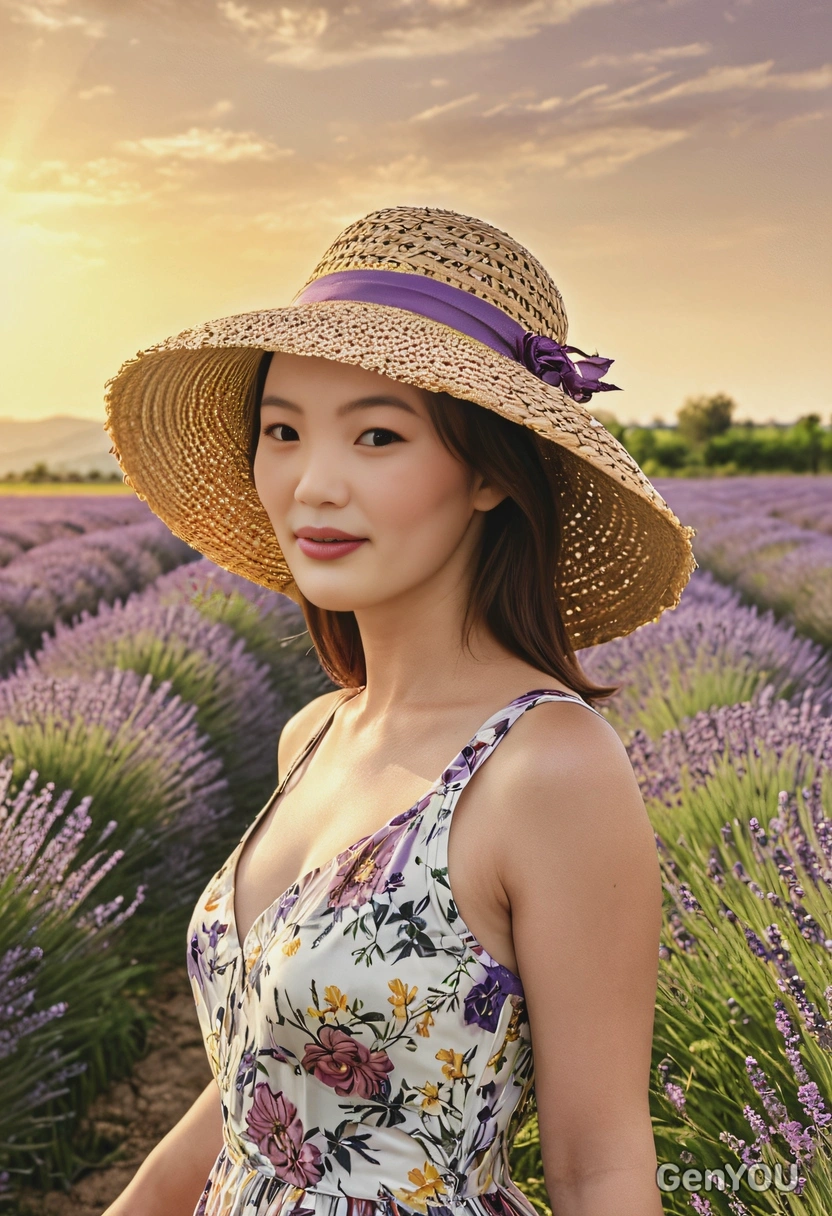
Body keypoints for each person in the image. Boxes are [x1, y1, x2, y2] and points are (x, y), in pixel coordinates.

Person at [102, 206, 695, 1216]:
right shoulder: (316, 733)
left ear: (488, 475)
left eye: (377, 434)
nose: (312, 483)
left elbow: (601, 1167)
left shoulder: (545, 767)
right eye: (282, 430)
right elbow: (254, 1083)